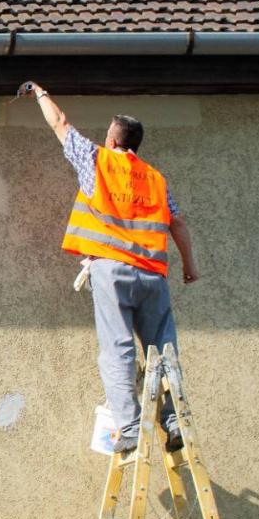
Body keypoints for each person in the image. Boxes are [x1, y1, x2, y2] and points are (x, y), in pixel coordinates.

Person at [24, 82, 199, 452]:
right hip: (152, 275)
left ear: (113, 140)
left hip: (112, 273)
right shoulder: (155, 178)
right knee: (162, 347)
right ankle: (174, 420)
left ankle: (131, 429)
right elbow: (178, 224)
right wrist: (189, 266)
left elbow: (60, 123)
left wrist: (39, 92)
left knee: (117, 349)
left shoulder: (97, 160)